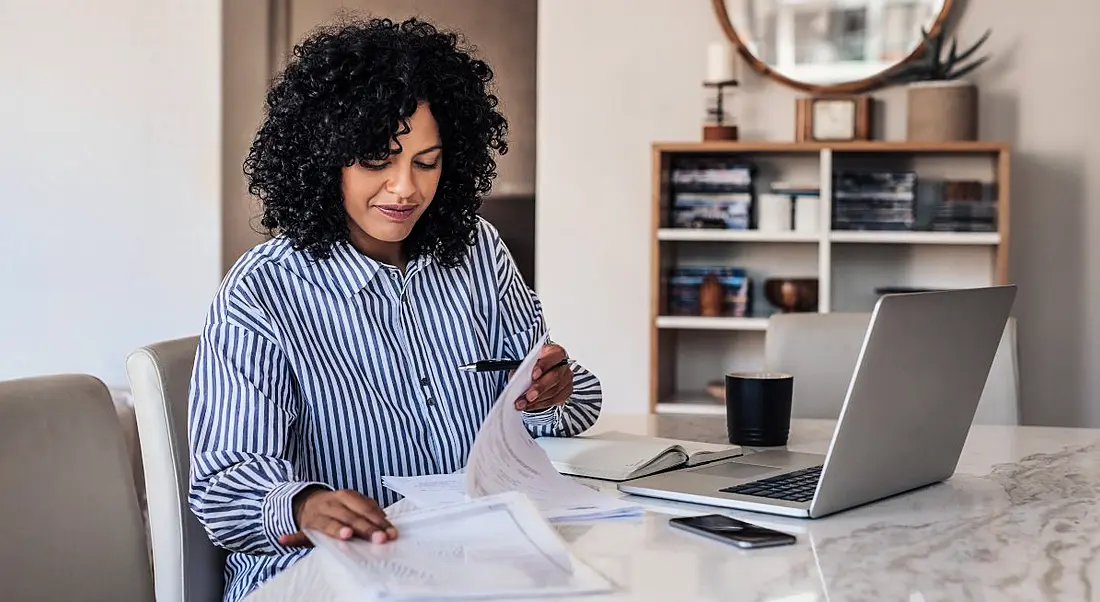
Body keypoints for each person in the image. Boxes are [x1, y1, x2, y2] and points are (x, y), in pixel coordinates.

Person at [187, 16, 602, 602]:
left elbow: (548, 414)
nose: (405, 189)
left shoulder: (479, 252)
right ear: (324, 158)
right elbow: (224, 486)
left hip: (475, 561)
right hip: (324, 576)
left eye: (426, 162)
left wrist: (554, 391)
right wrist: (303, 506)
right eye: (377, 161)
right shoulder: (263, 291)